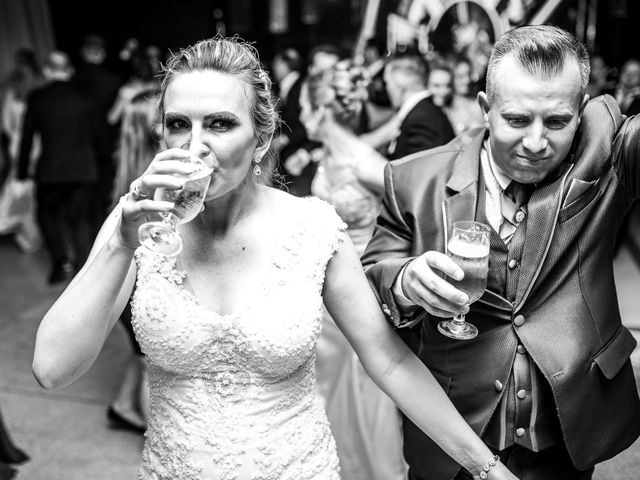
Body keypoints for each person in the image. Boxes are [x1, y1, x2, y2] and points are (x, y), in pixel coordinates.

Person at [31, 36, 517, 480]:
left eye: (220, 123)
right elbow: (52, 369)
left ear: (261, 139)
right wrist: (121, 243)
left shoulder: (312, 228)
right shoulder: (138, 223)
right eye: (178, 124)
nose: (194, 144)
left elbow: (388, 361)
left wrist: (485, 466)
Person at [362, 25, 640, 480]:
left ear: (581, 113)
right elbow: (374, 270)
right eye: (516, 120)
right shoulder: (414, 179)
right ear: (486, 109)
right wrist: (406, 279)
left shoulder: (605, 157)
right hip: (453, 439)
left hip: (565, 439)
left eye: (556, 121)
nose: (535, 142)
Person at [300, 59, 406, 480]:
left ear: (322, 110)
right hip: (326, 290)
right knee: (327, 383)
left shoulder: (364, 163)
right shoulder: (331, 152)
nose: (301, 117)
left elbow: (419, 204)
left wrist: (392, 265)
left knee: (362, 384)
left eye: (306, 108)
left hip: (361, 286)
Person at [17, 51, 105, 284]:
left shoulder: (37, 98)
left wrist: (22, 172)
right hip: (84, 170)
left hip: (51, 171)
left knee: (46, 215)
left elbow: (26, 138)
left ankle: (61, 262)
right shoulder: (86, 99)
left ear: (47, 71)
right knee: (80, 219)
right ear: (70, 71)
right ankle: (84, 270)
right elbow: (99, 139)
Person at [105, 89, 160, 433]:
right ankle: (157, 438)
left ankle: (121, 407)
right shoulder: (155, 182)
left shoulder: (126, 166)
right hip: (137, 285)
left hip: (128, 282)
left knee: (142, 357)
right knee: (153, 366)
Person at [383, 51, 455, 160]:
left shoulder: (421, 118)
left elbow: (423, 171)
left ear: (400, 83)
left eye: (388, 83)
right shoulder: (424, 111)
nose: (387, 88)